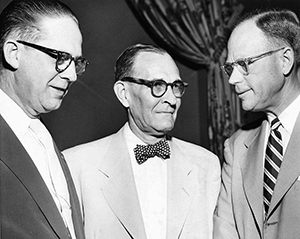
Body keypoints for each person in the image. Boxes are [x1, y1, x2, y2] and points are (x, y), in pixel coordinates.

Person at [63, 43, 221, 239]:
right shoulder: (76, 165)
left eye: (177, 87)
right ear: (124, 94)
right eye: (158, 86)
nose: (172, 99)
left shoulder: (206, 165)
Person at [0, 0, 88, 238]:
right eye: (60, 57)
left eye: (76, 62)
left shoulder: (43, 137)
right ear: (13, 53)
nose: (71, 75)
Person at [214, 8, 300, 239]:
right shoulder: (236, 146)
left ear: (285, 60)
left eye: (244, 63)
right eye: (230, 67)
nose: (232, 79)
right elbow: (225, 229)